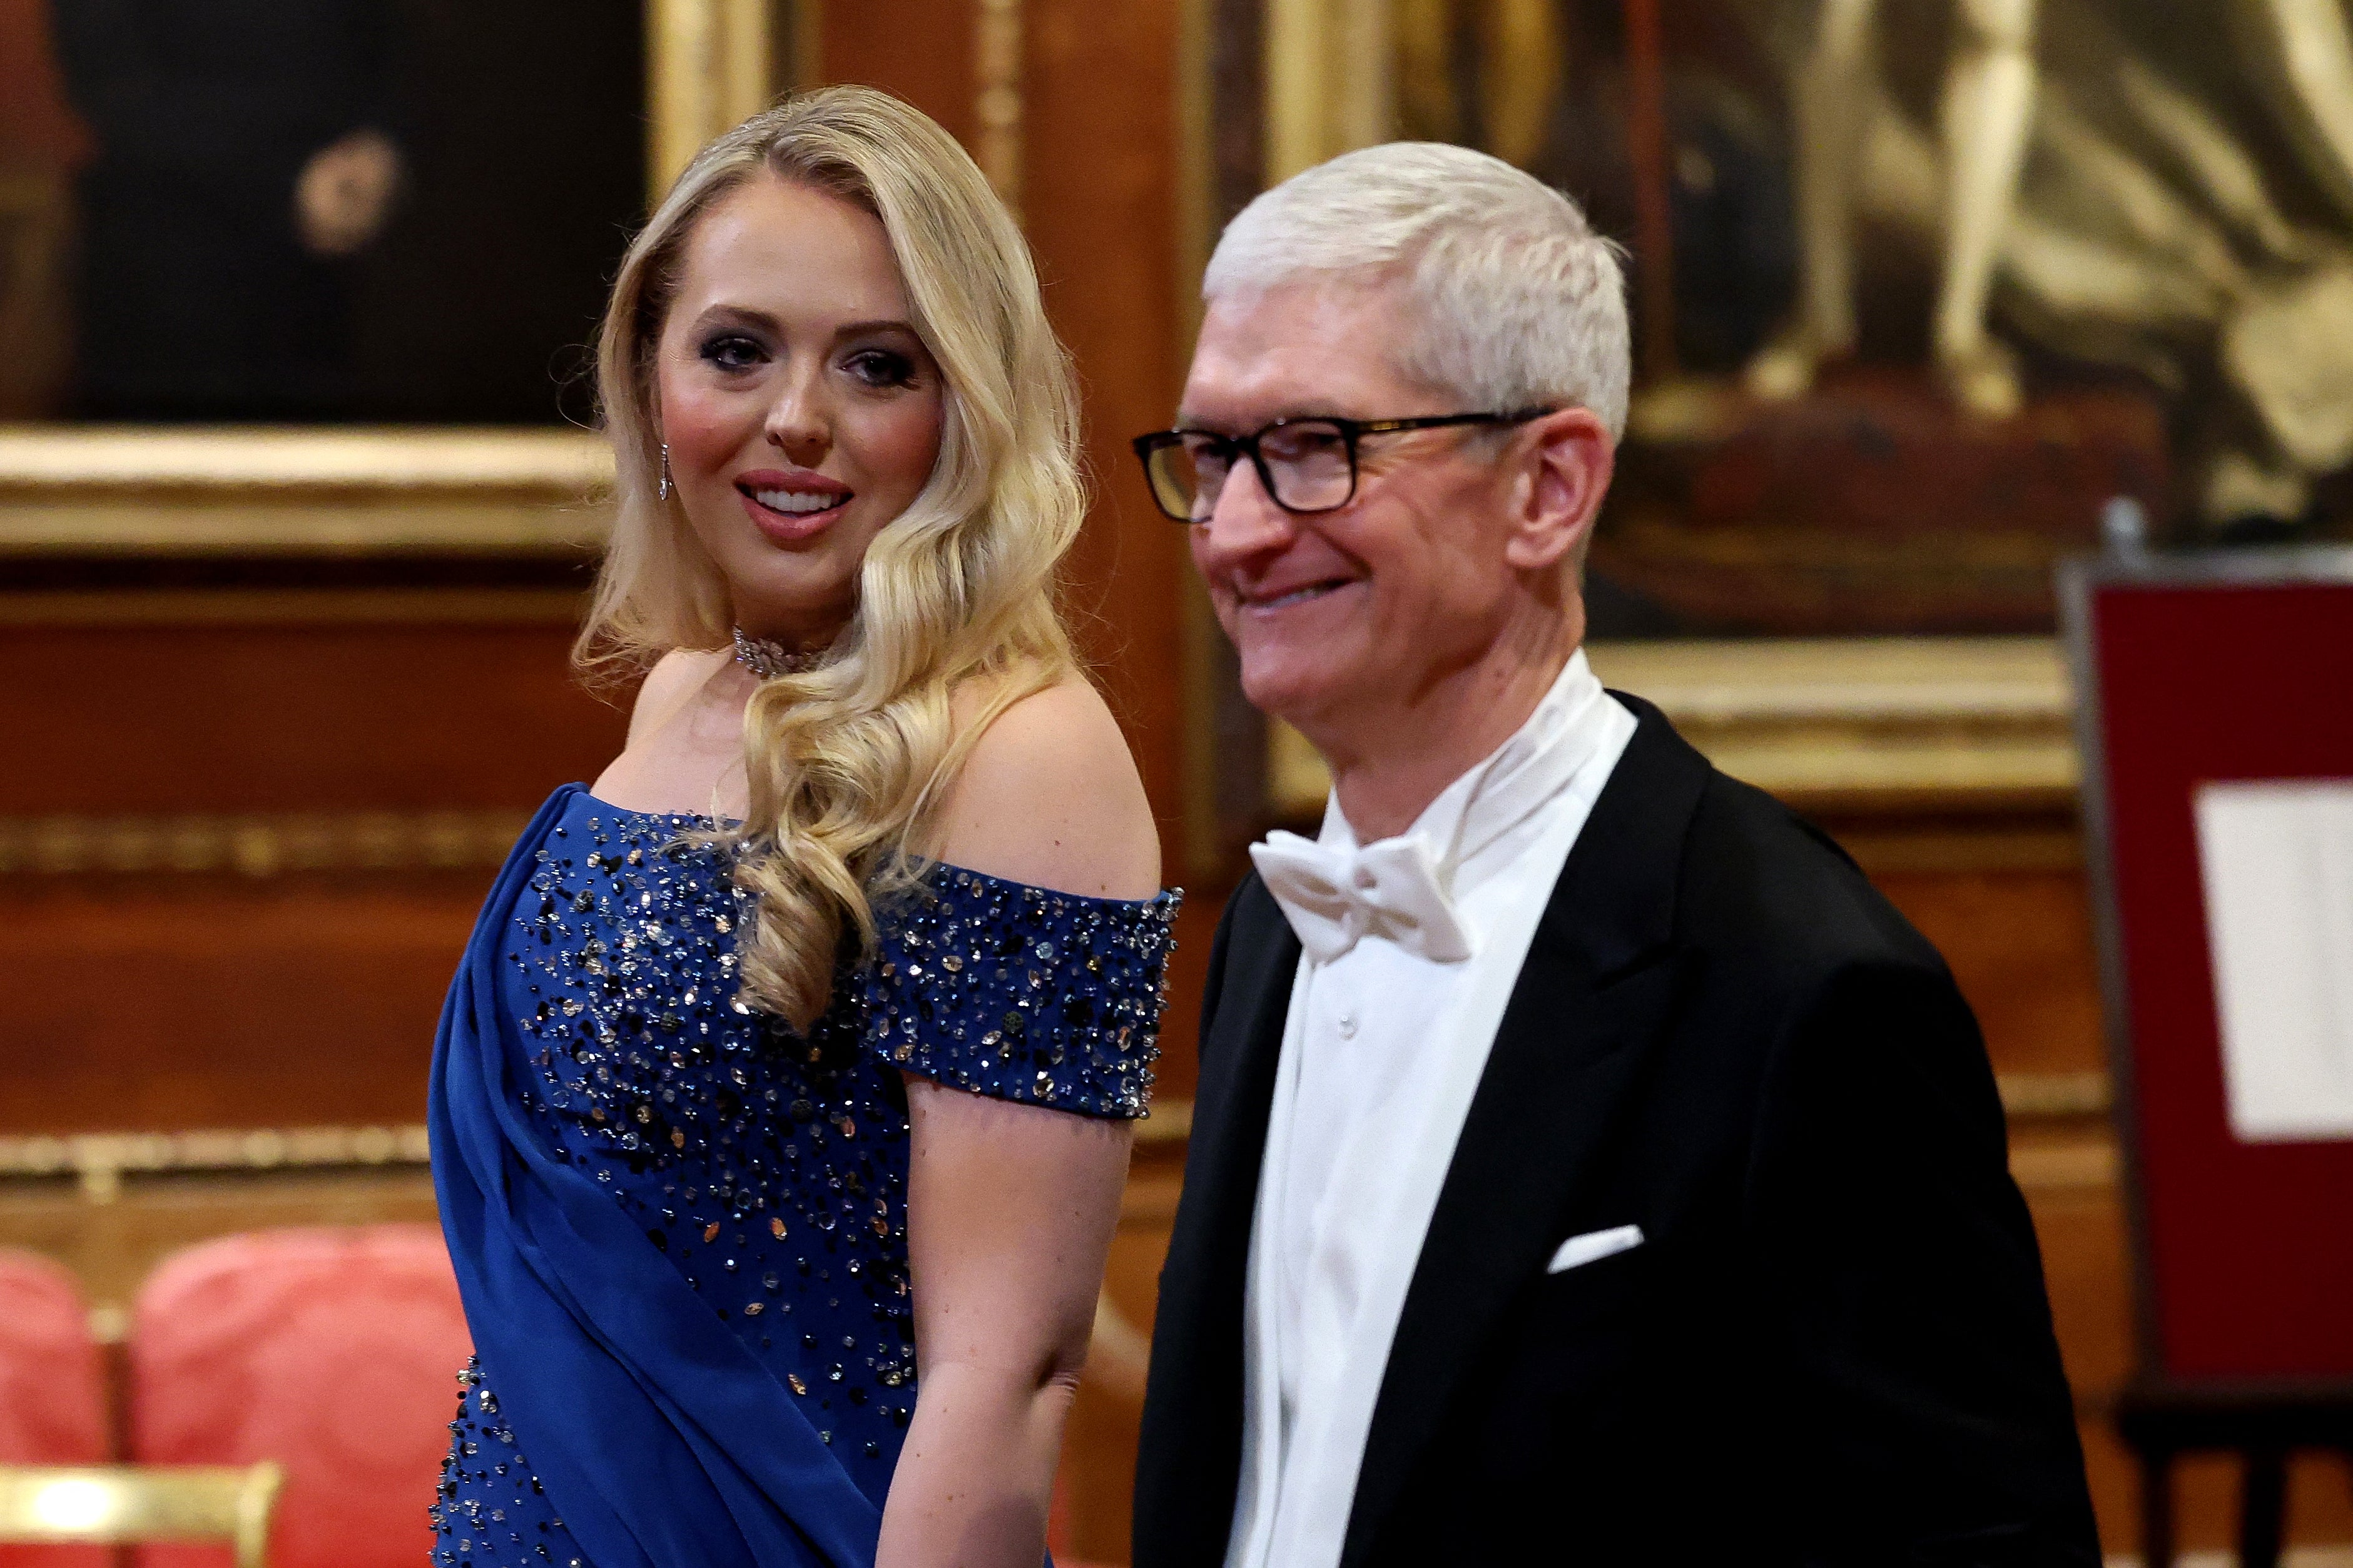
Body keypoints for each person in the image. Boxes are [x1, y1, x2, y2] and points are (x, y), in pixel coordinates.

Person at [1131, 142, 2097, 1566]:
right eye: (1214, 456)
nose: (1241, 532)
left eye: (1316, 451)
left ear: (1549, 488)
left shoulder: (1801, 991)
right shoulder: (1277, 932)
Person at [428, 86, 1176, 1568]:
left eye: (878, 366)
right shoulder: (685, 693)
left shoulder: (1027, 754)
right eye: (737, 350)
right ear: (650, 381)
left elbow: (1007, 1377)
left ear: (966, 406)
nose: (797, 420)